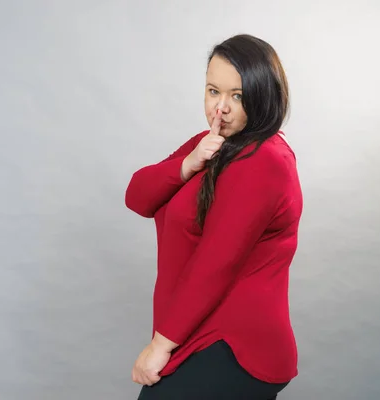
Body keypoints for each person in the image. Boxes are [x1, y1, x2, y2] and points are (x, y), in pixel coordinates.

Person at [125, 34, 303, 399]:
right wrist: (187, 165)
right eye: (212, 91)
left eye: (237, 96)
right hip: (200, 334)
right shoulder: (212, 143)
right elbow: (137, 197)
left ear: (262, 94)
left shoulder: (265, 161)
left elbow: (215, 263)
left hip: (236, 344)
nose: (220, 107)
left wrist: (160, 346)